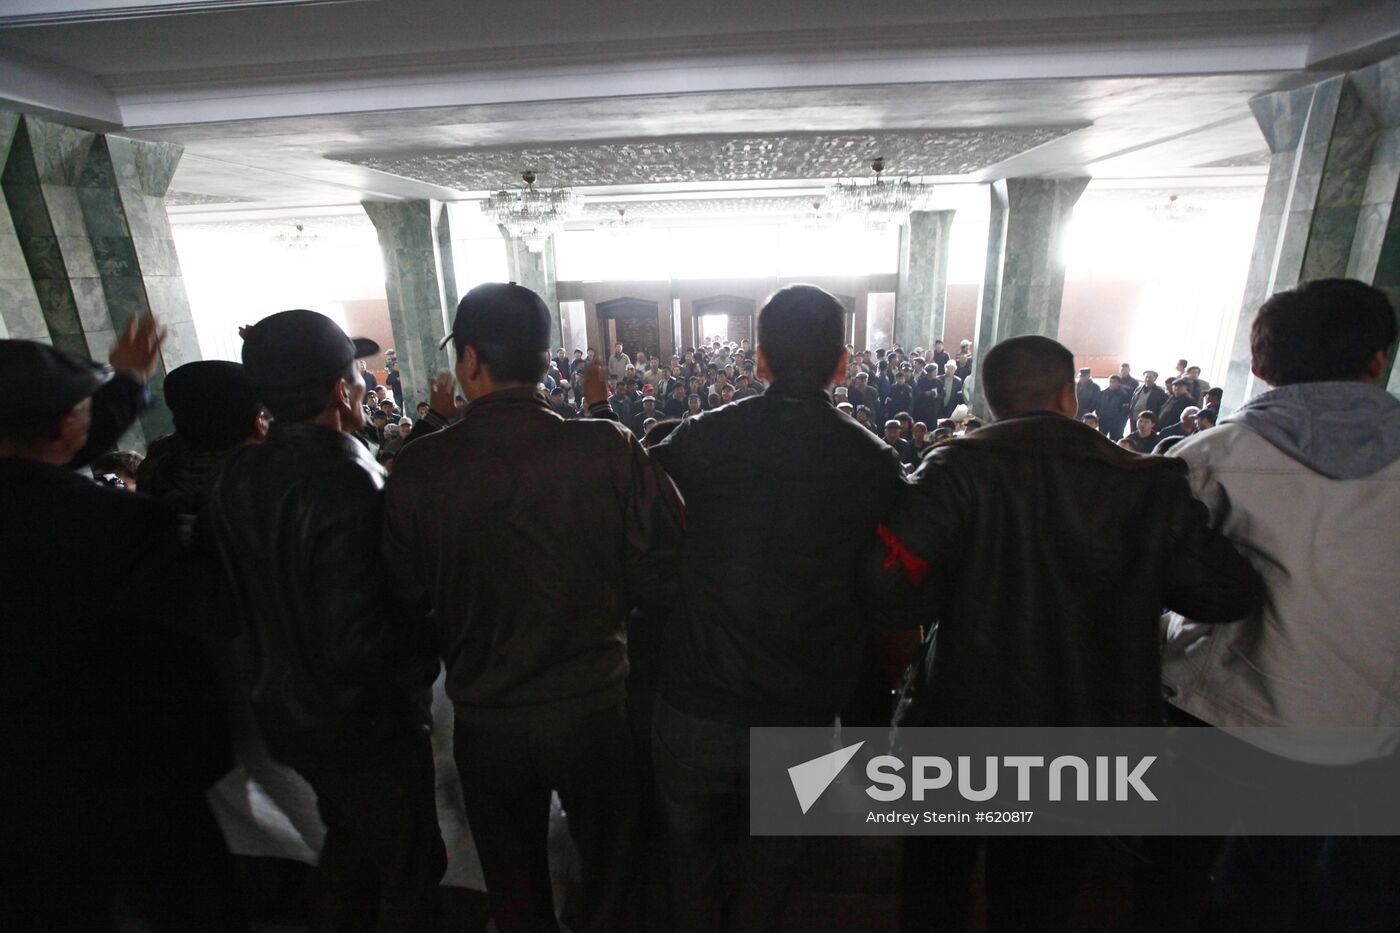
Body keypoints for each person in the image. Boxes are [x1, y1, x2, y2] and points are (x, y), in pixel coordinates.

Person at [863, 334, 1261, 933]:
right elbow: (1227, 593)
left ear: (990, 398)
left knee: (936, 884)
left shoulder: (954, 469)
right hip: (1087, 726)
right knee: (1039, 897)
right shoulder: (1144, 482)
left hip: (961, 716)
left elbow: (885, 586)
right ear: (1069, 395)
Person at [382, 283, 683, 932]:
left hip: (487, 717)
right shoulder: (606, 446)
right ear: (548, 362)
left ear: (469, 361)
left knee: (515, 887)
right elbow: (663, 569)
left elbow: (402, 599)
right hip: (593, 707)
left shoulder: (421, 466)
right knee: (610, 873)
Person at [647, 284, 908, 933]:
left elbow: (643, 533)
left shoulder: (699, 439)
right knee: (774, 862)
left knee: (688, 854)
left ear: (758, 360)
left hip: (695, 693)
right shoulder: (873, 462)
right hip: (803, 704)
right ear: (842, 363)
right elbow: (888, 584)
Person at [1161, 278, 1400, 931]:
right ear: (1377, 358)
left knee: (1176, 861)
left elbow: (1156, 574)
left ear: (1260, 364)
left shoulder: (1210, 457)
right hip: (1364, 723)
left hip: (1223, 706)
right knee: (1279, 871)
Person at [0, 318, 247, 932]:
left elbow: (39, 454)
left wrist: (127, 378)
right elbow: (193, 637)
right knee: (186, 906)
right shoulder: (115, 526)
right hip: (128, 774)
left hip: (16, 793)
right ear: (66, 426)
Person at [206, 309, 445, 932]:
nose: (368, 382)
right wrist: (424, 661)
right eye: (360, 372)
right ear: (342, 391)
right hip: (360, 723)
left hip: (285, 712)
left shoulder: (237, 472)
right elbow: (355, 641)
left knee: (351, 845)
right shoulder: (347, 478)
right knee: (411, 865)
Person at [1097, 373, 1132, 440]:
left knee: (1115, 440)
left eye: (1114, 382)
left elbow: (1124, 412)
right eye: (1110, 381)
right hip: (1103, 421)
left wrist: (1117, 422)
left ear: (1119, 383)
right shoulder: (1103, 393)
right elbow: (1098, 406)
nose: (1112, 383)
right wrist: (1100, 416)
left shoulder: (1124, 395)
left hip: (1116, 423)